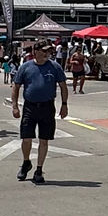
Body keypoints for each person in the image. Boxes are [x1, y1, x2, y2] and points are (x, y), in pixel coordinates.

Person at [11, 39, 69, 184]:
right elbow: (16, 86)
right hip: (30, 107)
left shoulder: (54, 67)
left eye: (49, 51)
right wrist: (14, 106)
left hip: (47, 107)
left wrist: (64, 104)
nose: (47, 54)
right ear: (35, 51)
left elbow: (63, 86)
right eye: (44, 51)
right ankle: (26, 163)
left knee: (44, 139)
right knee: (26, 138)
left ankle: (39, 169)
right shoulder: (25, 67)